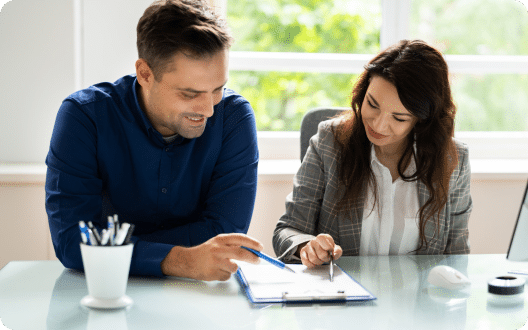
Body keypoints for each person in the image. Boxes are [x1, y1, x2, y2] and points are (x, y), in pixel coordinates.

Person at [45, 0, 263, 281]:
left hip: (198, 295)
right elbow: (71, 242)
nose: (209, 109)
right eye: (189, 94)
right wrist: (179, 260)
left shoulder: (233, 118)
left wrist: (116, 245)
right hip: (104, 290)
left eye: (217, 89)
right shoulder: (84, 117)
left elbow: (223, 234)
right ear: (145, 74)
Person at [273, 39, 472, 267]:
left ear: (422, 120)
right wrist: (306, 247)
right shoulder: (330, 142)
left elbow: (457, 255)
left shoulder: (453, 160)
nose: (378, 125)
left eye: (398, 118)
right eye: (372, 104)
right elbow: (287, 230)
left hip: (418, 301)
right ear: (363, 92)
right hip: (345, 298)